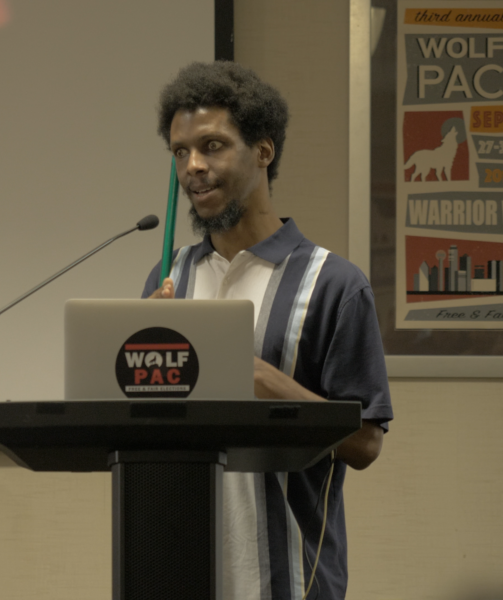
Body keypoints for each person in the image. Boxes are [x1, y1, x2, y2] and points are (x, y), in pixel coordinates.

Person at [142, 61, 393, 600]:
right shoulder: (169, 279)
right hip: (178, 573)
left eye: (212, 146)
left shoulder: (335, 284)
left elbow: (366, 442)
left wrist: (268, 384)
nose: (193, 166)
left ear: (263, 151)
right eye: (180, 151)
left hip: (291, 581)